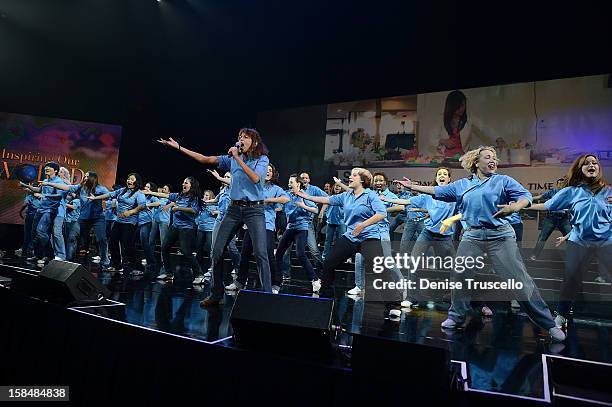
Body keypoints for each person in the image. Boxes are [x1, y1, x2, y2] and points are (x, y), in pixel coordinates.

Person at [397, 146, 565, 342]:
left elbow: (525, 197)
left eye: (495, 157)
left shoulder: (503, 181)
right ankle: (456, 316)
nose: (493, 160)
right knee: (460, 274)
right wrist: (413, 187)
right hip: (473, 236)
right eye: (488, 157)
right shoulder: (462, 185)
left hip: (500, 236)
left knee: (519, 280)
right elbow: (437, 190)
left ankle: (549, 323)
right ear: (476, 162)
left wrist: (515, 207)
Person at [157, 128, 270, 306]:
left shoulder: (261, 159)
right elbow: (204, 159)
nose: (240, 140)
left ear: (254, 142)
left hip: (254, 210)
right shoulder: (231, 158)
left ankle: (268, 297)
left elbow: (256, 179)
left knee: (261, 253)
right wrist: (179, 147)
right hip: (234, 209)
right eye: (239, 137)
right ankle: (216, 293)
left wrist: (237, 158)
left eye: (245, 137)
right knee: (216, 251)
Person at [296, 167, 403, 317]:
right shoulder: (346, 196)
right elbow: (326, 199)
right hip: (351, 236)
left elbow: (381, 213)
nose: (350, 177)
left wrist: (363, 225)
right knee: (329, 262)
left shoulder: (370, 195)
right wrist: (304, 195)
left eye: (354, 175)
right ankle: (326, 296)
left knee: (381, 269)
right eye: (351, 175)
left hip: (369, 237)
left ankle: (394, 304)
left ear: (362, 180)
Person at [528, 154, 611, 330]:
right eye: (586, 163)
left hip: (606, 241)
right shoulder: (571, 191)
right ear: (580, 169)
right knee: (570, 280)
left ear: (598, 168)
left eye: (594, 163)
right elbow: (546, 205)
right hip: (579, 241)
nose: (591, 165)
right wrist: (519, 206)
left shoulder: (609, 191)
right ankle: (561, 316)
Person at [383, 167, 457, 307]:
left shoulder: (454, 196)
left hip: (445, 237)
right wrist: (385, 198)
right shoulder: (428, 196)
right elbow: (407, 202)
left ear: (449, 179)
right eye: (439, 174)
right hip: (427, 233)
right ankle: (412, 297)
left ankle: (453, 295)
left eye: (445, 174)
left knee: (453, 267)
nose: (442, 176)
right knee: (414, 263)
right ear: (436, 179)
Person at [230, 164, 289, 293]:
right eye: (265, 170)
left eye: (270, 171)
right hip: (251, 224)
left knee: (267, 254)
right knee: (245, 253)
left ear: (273, 174)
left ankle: (275, 283)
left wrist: (268, 200)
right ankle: (240, 281)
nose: (268, 172)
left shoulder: (276, 188)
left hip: (266, 226)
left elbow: (286, 199)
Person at [42, 171, 111, 268]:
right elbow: (67, 187)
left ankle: (105, 262)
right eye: (85, 176)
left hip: (97, 219)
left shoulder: (101, 188)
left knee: (101, 239)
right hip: (83, 218)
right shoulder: (81, 187)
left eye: (87, 176)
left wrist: (97, 198)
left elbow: (109, 196)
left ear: (92, 178)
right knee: (72, 237)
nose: (85, 178)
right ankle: (69, 260)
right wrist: (49, 183)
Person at [144, 177, 203, 281]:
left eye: (186, 183)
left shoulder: (194, 198)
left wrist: (178, 208)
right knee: (164, 248)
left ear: (191, 185)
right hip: (175, 226)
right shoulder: (179, 195)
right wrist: (151, 192)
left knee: (186, 252)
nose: (183, 184)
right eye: (183, 182)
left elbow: (194, 210)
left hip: (186, 228)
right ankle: (169, 273)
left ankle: (199, 274)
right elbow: (165, 195)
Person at [88, 173, 147, 274]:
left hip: (130, 222)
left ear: (136, 182)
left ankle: (138, 268)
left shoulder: (139, 193)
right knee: (113, 242)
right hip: (119, 221)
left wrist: (130, 212)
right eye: (128, 179)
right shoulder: (122, 190)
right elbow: (109, 195)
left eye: (132, 179)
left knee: (127, 245)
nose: (129, 180)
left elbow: (142, 206)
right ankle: (117, 266)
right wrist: (95, 198)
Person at [277, 174, 321, 293]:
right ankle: (277, 281)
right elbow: (281, 206)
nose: (289, 184)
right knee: (279, 253)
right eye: (289, 182)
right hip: (290, 227)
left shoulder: (305, 196)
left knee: (300, 254)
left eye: (291, 182)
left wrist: (303, 205)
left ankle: (315, 279)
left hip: (302, 228)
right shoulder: (287, 194)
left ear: (298, 184)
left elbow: (316, 210)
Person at [20, 162, 66, 264]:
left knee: (41, 231)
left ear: (56, 170)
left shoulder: (59, 182)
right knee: (33, 233)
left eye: (49, 168)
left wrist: (45, 196)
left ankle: (49, 255)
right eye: (46, 168)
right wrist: (27, 186)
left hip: (50, 210)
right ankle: (37, 255)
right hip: (40, 209)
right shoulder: (45, 180)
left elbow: (59, 196)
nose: (46, 169)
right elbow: (39, 190)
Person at [529, 177, 572, 260]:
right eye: (559, 183)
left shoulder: (568, 193)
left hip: (564, 219)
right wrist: (528, 199)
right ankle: (535, 255)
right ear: (557, 184)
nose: (560, 184)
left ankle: (574, 257)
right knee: (542, 237)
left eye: (562, 183)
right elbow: (540, 197)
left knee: (570, 238)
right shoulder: (552, 192)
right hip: (551, 218)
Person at [194, 189, 217, 283]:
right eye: (204, 195)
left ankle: (211, 268)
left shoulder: (215, 205)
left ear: (211, 197)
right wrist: (197, 221)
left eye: (207, 195)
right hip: (201, 228)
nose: (205, 196)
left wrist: (215, 212)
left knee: (209, 248)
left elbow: (220, 213)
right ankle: (196, 267)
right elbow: (197, 215)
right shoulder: (201, 206)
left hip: (210, 229)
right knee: (198, 248)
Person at [138, 182, 159, 270]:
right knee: (130, 240)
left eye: (148, 187)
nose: (146, 188)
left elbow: (158, 203)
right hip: (137, 221)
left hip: (146, 221)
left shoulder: (152, 197)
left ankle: (151, 261)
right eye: (145, 186)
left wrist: (147, 205)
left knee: (144, 241)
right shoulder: (141, 196)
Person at [322, 184, 346, 259]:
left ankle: (341, 256)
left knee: (341, 240)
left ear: (341, 188)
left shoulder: (344, 197)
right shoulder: (330, 197)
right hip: (331, 221)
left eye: (339, 186)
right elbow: (325, 204)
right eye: (335, 186)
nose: (337, 187)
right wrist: (324, 213)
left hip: (341, 221)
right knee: (328, 239)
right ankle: (325, 255)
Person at [64, 192, 81, 261]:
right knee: (70, 240)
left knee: (71, 239)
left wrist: (63, 204)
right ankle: (70, 257)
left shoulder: (76, 200)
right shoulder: (73, 200)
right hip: (70, 221)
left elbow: (74, 207)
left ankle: (69, 258)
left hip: (73, 221)